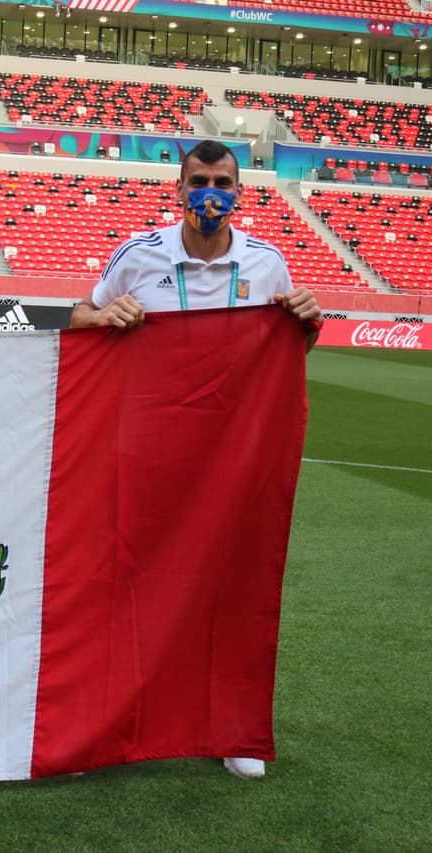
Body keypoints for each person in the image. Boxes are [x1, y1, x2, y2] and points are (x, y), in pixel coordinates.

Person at [70, 140, 322, 780]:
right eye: (200, 181)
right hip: (144, 446)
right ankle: (99, 726)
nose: (212, 192)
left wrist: (307, 326)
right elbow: (79, 314)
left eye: (223, 182)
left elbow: (287, 352)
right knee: (121, 580)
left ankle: (227, 727)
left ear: (240, 191)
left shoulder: (267, 263)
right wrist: (103, 316)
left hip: (230, 457)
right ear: (178, 189)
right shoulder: (138, 254)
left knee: (228, 583)